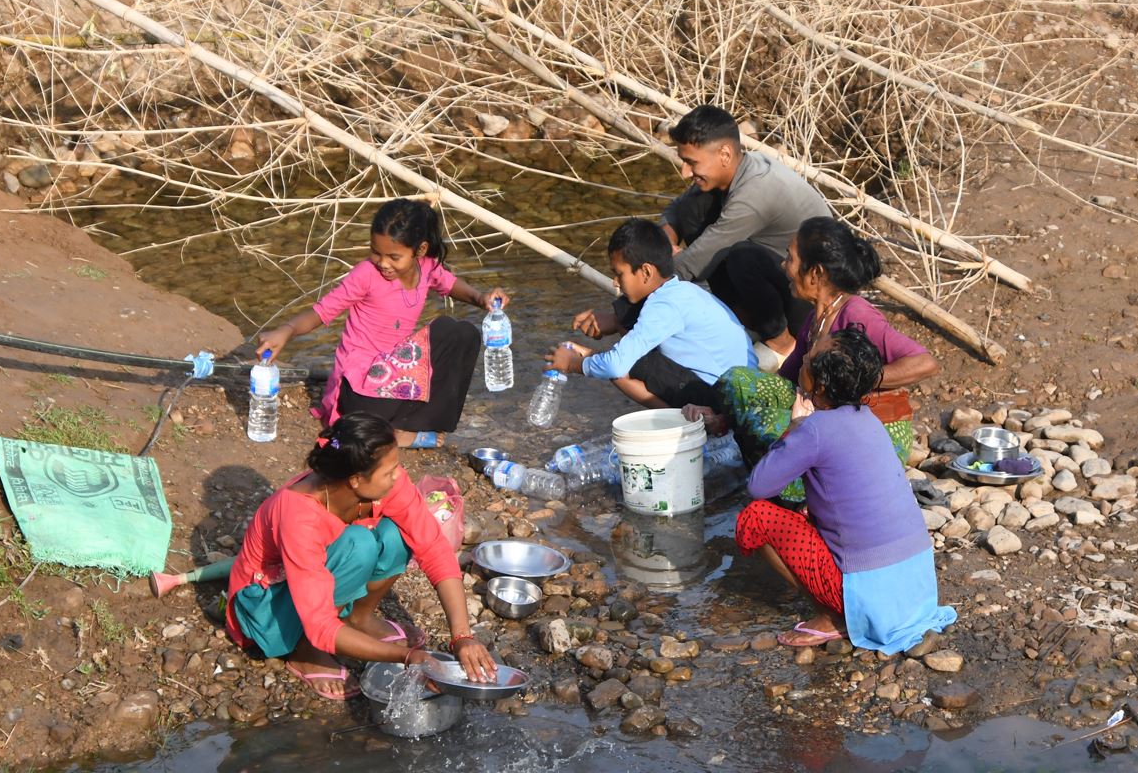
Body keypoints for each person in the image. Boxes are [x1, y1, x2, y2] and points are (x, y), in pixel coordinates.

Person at [225, 413, 496, 699]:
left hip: (315, 586)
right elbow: (319, 624)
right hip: (268, 611)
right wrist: (406, 657)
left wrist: (462, 636)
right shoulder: (298, 515)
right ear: (355, 480)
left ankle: (358, 619)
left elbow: (433, 547)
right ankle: (305, 652)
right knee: (359, 543)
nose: (398, 476)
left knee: (396, 534)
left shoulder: (383, 483)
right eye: (389, 471)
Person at [688, 216, 939, 500]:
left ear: (815, 273)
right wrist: (725, 416)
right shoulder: (816, 320)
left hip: (876, 432)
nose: (784, 267)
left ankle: (800, 495)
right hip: (828, 416)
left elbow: (925, 363)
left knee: (768, 425)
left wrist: (858, 380)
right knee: (739, 381)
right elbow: (783, 382)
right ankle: (776, 479)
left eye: (790, 259)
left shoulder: (855, 313)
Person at [737, 327, 956, 650]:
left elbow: (758, 486)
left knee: (755, 518)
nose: (803, 358)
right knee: (804, 511)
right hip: (914, 591)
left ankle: (832, 617)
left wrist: (793, 427)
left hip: (875, 599)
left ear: (819, 384)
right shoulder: (867, 418)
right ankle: (843, 608)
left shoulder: (815, 429)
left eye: (809, 358)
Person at [257, 198, 506, 449]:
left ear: (419, 250)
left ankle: (415, 424)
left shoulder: (427, 268)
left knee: (462, 333)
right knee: (443, 328)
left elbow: (450, 284)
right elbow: (321, 312)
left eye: (393, 256)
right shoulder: (365, 275)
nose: (383, 263)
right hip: (358, 392)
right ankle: (391, 433)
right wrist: (286, 330)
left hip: (394, 382)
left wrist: (480, 298)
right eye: (376, 252)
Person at [658, 105, 831, 367]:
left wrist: (646, 285)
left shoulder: (755, 192)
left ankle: (783, 343)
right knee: (695, 208)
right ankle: (749, 325)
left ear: (724, 154)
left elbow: (696, 261)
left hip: (809, 302)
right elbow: (676, 211)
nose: (684, 172)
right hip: (779, 277)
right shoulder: (734, 171)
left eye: (691, 162)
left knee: (740, 257)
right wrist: (664, 247)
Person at [551, 219, 754, 409]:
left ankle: (685, 424)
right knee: (630, 354)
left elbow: (615, 365)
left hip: (727, 402)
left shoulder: (662, 306)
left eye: (619, 274)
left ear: (646, 272)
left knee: (632, 364)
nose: (614, 282)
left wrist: (573, 363)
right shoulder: (685, 291)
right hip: (747, 390)